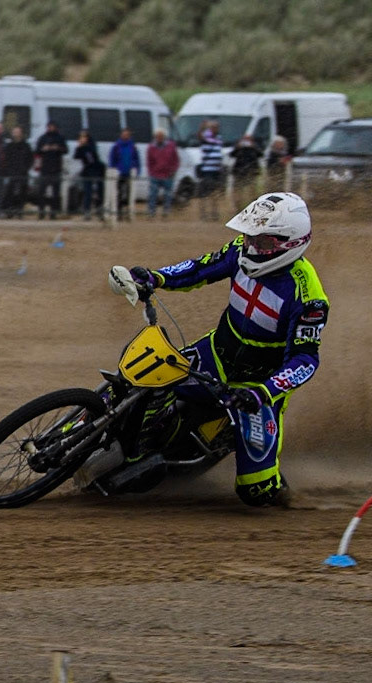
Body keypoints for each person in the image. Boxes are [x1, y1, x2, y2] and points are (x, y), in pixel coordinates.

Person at [120, 192, 326, 507]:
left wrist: (262, 393)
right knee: (144, 379)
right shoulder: (239, 251)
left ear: (290, 243)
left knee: (256, 493)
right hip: (216, 353)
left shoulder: (308, 297)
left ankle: (240, 451)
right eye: (250, 237)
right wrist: (157, 276)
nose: (253, 247)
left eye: (264, 242)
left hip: (256, 386)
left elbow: (305, 360)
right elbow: (200, 269)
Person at [33, 121, 67, 219]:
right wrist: (44, 149)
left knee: (55, 193)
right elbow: (37, 151)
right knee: (41, 192)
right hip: (45, 169)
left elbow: (65, 150)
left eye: (53, 126)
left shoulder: (60, 138)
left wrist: (58, 148)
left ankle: (53, 213)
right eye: (49, 127)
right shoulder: (43, 138)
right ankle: (41, 212)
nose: (51, 128)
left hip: (56, 169)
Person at [108, 128, 141, 218]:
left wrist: (137, 170)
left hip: (129, 173)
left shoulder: (133, 146)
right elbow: (112, 159)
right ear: (121, 135)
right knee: (118, 193)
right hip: (119, 173)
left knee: (129, 194)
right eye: (124, 134)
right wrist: (112, 170)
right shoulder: (116, 146)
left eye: (127, 134)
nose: (125, 136)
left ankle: (128, 212)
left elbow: (136, 159)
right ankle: (118, 212)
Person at [145, 129, 178, 218]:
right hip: (155, 174)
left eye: (161, 136)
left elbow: (176, 160)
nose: (159, 138)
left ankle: (166, 211)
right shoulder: (151, 147)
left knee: (167, 194)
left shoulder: (171, 146)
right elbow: (149, 162)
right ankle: (151, 212)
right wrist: (151, 172)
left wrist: (173, 170)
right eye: (158, 136)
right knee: (153, 194)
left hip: (168, 175)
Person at [2, 126, 33, 218]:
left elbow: (30, 159)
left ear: (21, 133)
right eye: (15, 132)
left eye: (18, 132)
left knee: (22, 194)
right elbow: (6, 159)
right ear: (12, 134)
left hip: (23, 174)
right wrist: (9, 170)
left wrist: (25, 168)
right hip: (12, 174)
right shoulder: (9, 146)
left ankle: (20, 211)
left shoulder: (26, 146)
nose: (16, 134)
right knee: (10, 193)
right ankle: (9, 212)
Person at [74, 130, 105, 220]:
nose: (82, 139)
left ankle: (100, 211)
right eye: (80, 137)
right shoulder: (81, 148)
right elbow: (76, 156)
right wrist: (80, 147)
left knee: (99, 193)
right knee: (87, 192)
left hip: (97, 171)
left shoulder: (91, 147)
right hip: (87, 172)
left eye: (84, 137)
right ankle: (87, 212)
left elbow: (92, 160)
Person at [196, 121, 224, 221]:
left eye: (216, 127)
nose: (216, 129)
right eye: (213, 127)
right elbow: (200, 137)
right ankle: (203, 214)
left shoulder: (218, 138)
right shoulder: (205, 137)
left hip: (216, 170)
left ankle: (214, 213)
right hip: (207, 170)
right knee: (205, 193)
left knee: (214, 193)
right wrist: (202, 127)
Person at [229, 134, 263, 203]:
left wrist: (253, 146)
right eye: (245, 140)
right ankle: (238, 204)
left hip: (251, 172)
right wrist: (238, 147)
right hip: (239, 172)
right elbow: (232, 154)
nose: (246, 142)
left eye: (248, 140)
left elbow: (261, 154)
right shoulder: (239, 148)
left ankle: (253, 203)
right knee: (238, 190)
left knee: (252, 190)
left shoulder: (254, 148)